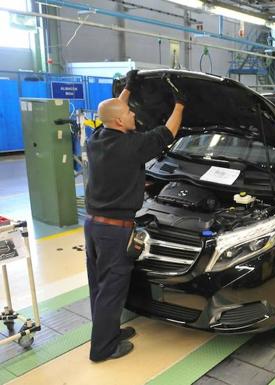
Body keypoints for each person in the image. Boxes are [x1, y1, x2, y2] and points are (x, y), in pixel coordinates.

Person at [84, 70, 186, 362]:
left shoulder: (98, 137)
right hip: (114, 230)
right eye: (129, 113)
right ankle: (104, 349)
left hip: (92, 226)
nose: (133, 116)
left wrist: (128, 89)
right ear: (119, 121)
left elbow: (112, 109)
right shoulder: (132, 145)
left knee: (100, 286)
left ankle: (108, 331)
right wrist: (179, 104)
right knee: (112, 288)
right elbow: (168, 133)